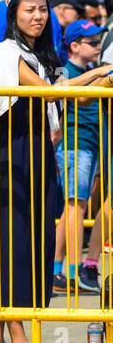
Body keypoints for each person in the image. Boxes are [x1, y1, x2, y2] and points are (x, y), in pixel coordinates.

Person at [0, 0, 112, 343]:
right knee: (13, 242)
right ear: (13, 14)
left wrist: (100, 75)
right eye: (29, 9)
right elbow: (51, 91)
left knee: (29, 239)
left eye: (42, 9)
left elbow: (69, 88)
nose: (38, 16)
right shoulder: (7, 52)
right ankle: (20, 340)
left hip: (37, 152)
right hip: (12, 154)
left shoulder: (41, 55)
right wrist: (100, 73)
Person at [53, 19, 107, 295]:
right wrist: (102, 75)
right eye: (93, 42)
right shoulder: (64, 69)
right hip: (75, 145)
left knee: (71, 209)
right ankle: (75, 274)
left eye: (100, 41)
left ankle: (56, 271)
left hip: (87, 146)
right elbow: (70, 92)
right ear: (73, 46)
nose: (98, 46)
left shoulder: (88, 70)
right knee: (77, 206)